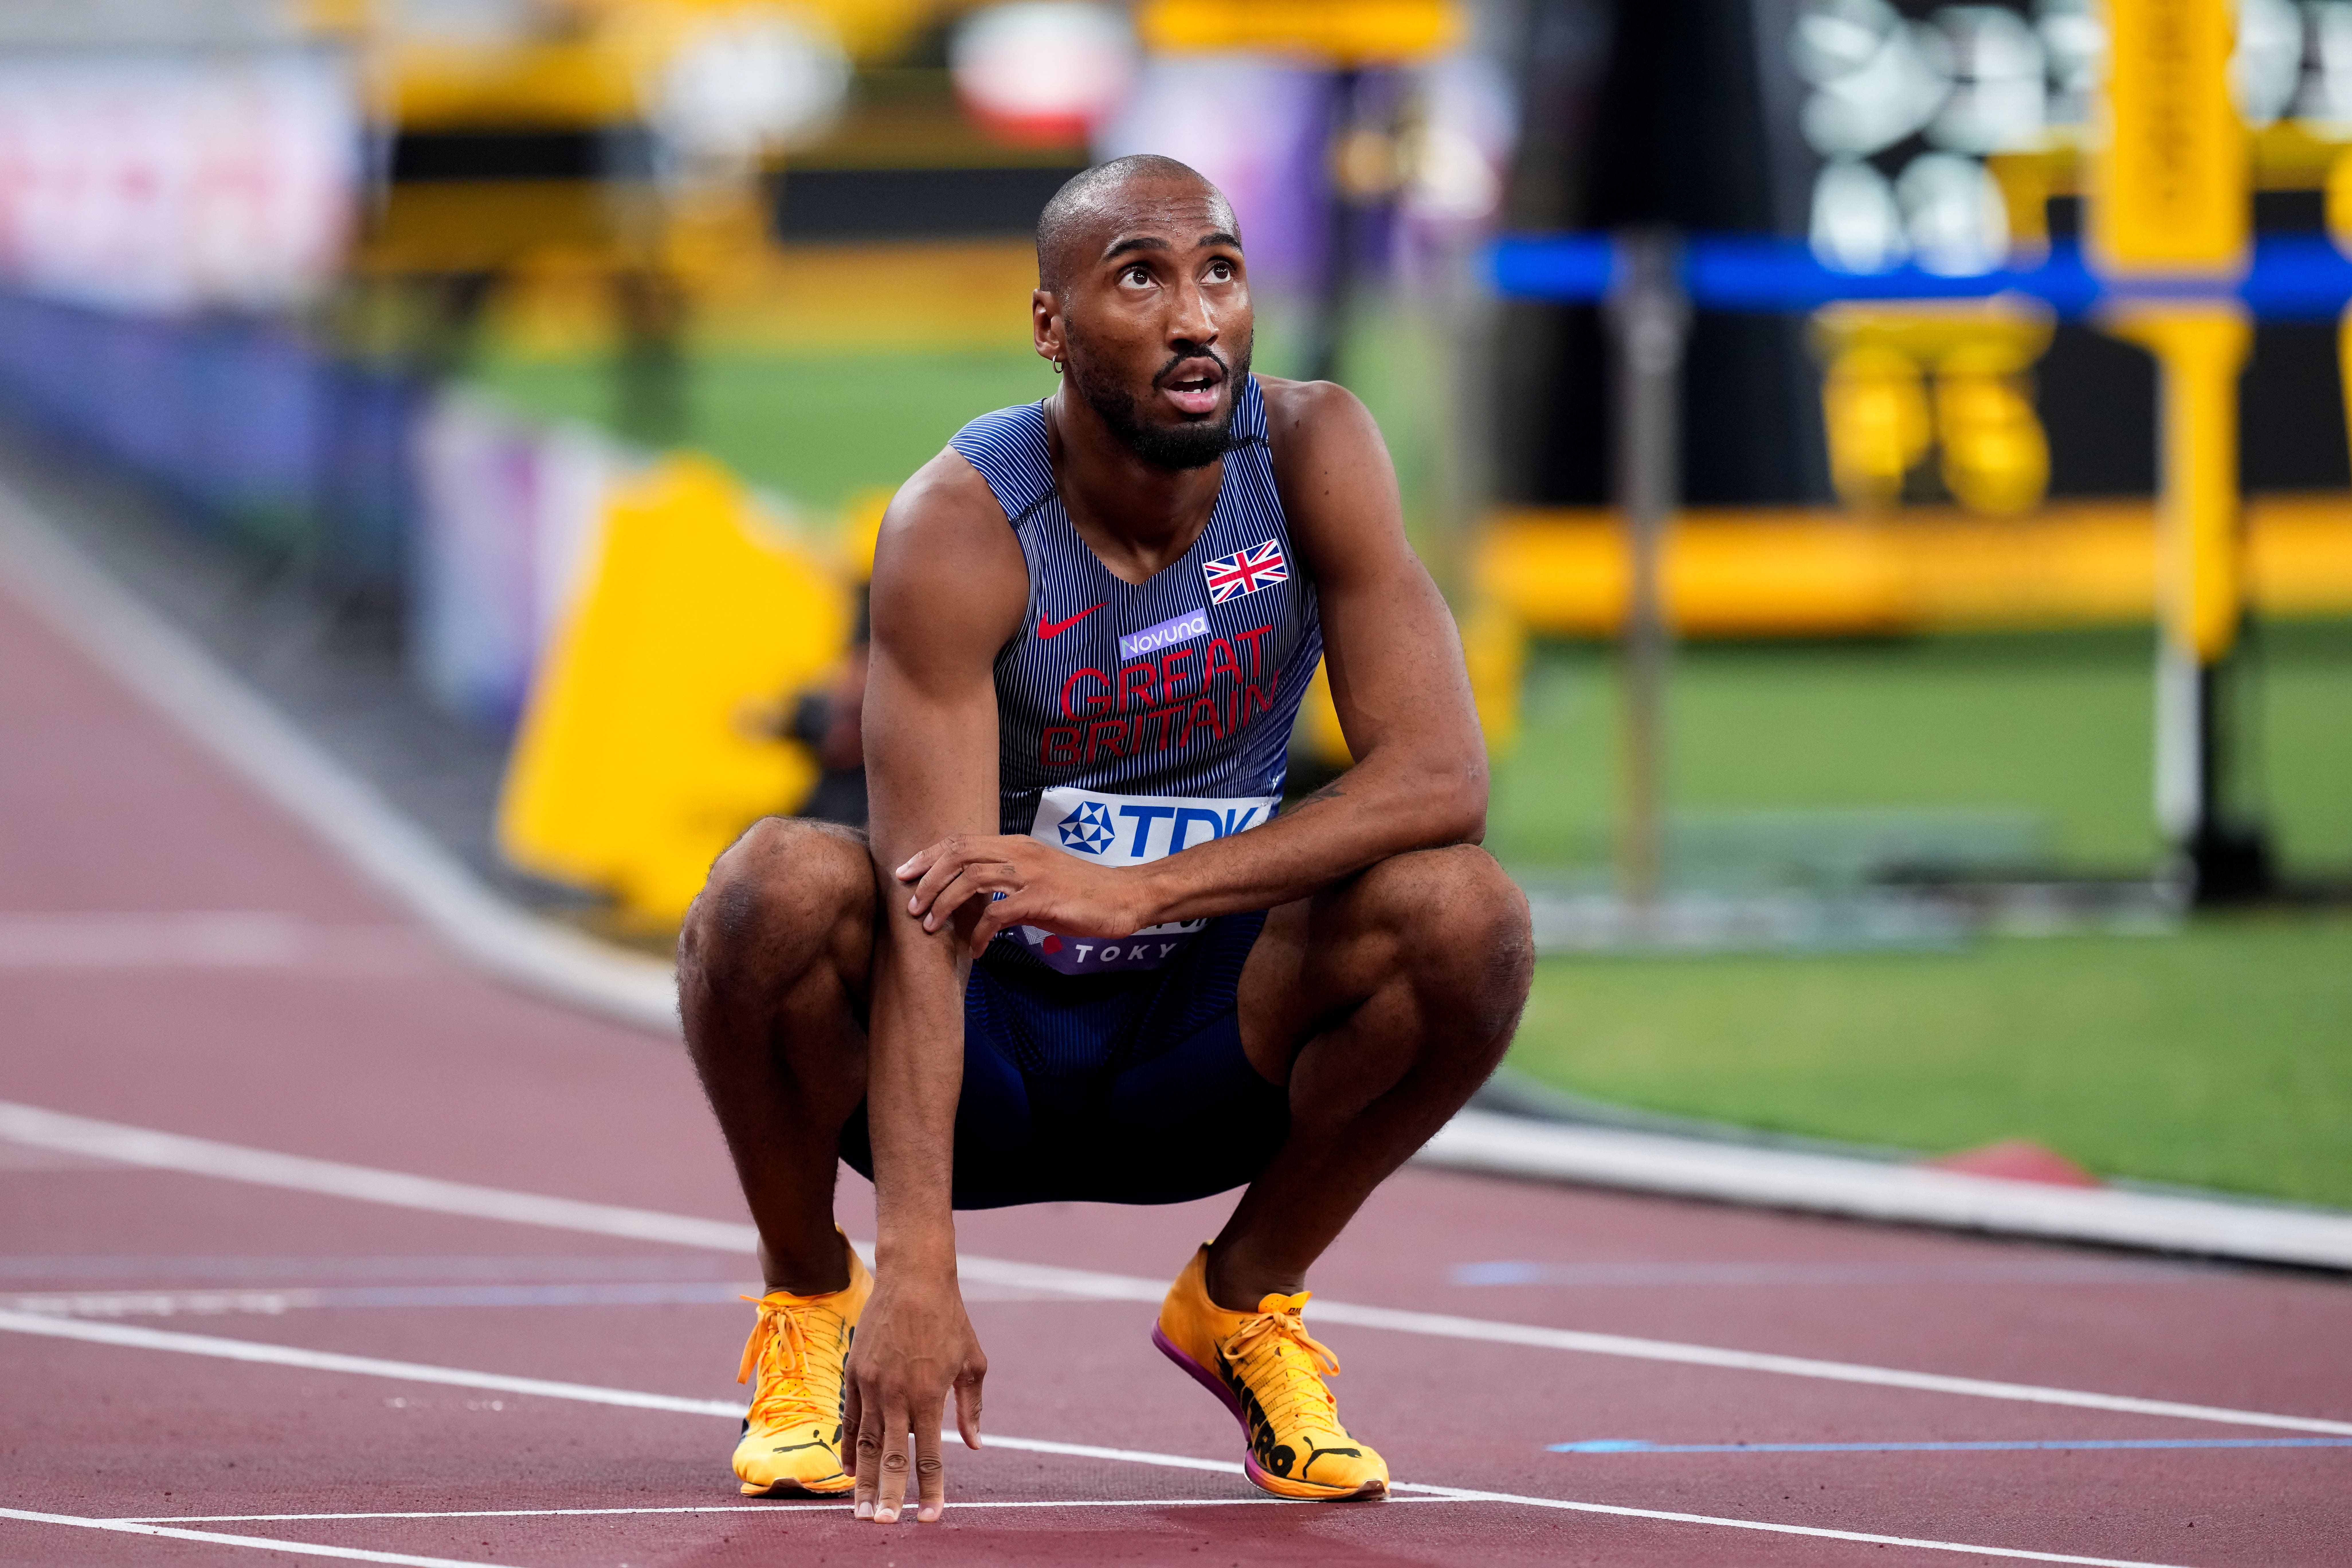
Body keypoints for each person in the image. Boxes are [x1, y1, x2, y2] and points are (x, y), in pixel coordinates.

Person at [678, 153, 1534, 1526]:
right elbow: (923, 908)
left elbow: (1442, 774)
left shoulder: (1315, 450)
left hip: (1206, 1034)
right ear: (1051, 326)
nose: (1196, 316)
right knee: (767, 889)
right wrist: (917, 1266)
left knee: (1466, 915)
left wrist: (1142, 890)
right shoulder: (962, 524)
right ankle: (809, 1300)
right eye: (1142, 276)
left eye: (1222, 272)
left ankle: (1242, 1305)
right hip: (988, 1055)